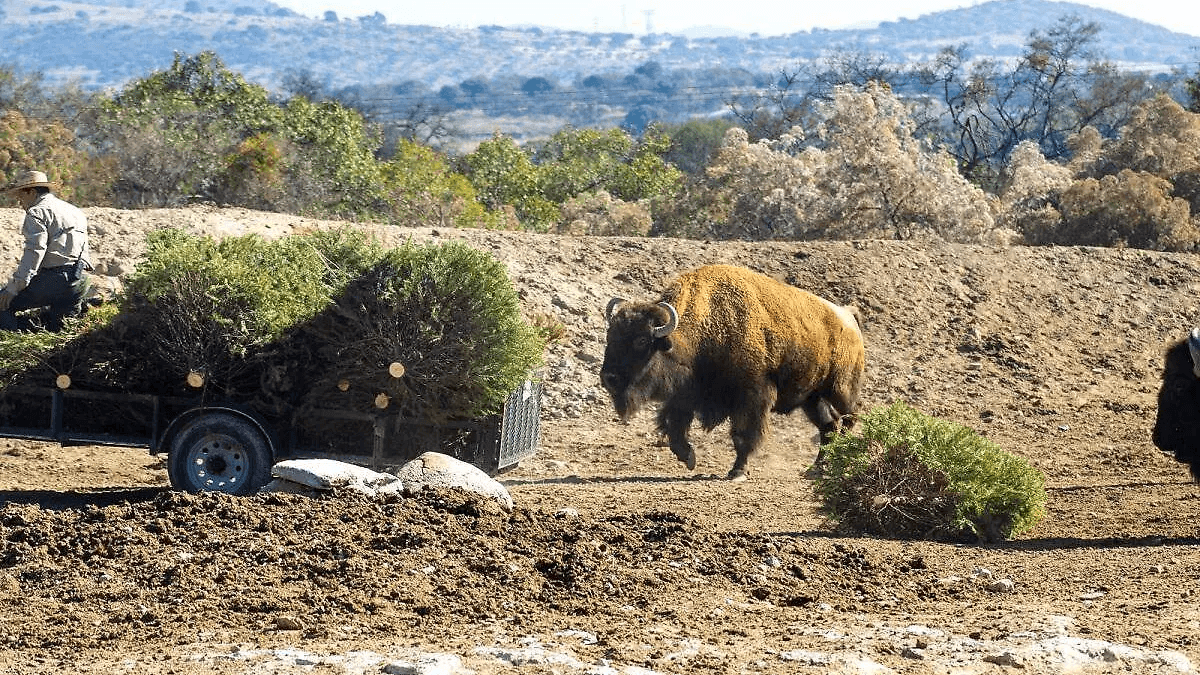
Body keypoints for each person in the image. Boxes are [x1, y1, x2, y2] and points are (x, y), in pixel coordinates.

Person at [0, 170, 92, 332]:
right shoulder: (75, 211)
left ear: (32, 192)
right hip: (80, 279)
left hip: (55, 280)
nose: (19, 202)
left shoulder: (37, 212)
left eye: (20, 196)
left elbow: (35, 252)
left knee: (2, 304)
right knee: (60, 331)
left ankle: (15, 346)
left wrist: (13, 288)